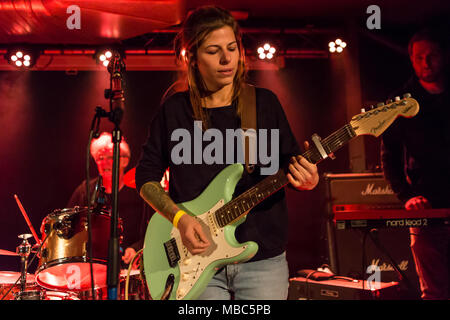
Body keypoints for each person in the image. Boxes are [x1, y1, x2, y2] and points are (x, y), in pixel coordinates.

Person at [135, 6, 319, 300]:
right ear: (192, 57)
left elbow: (294, 166)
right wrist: (180, 219)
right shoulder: (174, 111)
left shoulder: (264, 105)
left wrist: (308, 179)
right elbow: (145, 178)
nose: (226, 59)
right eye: (213, 51)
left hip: (263, 261)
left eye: (232, 48)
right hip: (194, 261)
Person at [381, 28, 450, 300]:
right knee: (433, 291)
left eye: (432, 55)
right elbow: (390, 156)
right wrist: (407, 197)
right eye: (420, 57)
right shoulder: (400, 102)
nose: (427, 63)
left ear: (443, 56)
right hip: (426, 206)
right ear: (411, 60)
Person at [67, 132, 152, 269]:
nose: (104, 162)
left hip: (129, 269)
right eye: (100, 158)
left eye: (111, 157)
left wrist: (136, 248)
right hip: (92, 268)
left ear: (124, 160)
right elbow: (68, 225)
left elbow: (154, 229)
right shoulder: (85, 190)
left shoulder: (139, 191)